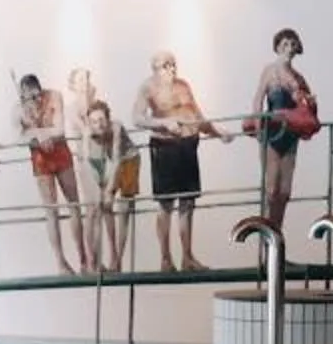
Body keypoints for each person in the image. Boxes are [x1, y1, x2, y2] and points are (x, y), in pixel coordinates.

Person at [133, 50, 226, 271]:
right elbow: (137, 117)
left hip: (188, 145)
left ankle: (187, 256)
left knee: (188, 202)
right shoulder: (148, 87)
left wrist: (218, 133)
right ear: (155, 68)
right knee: (166, 203)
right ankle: (165, 258)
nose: (171, 69)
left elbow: (198, 116)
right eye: (166, 65)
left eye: (173, 64)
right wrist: (163, 123)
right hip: (165, 147)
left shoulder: (183, 85)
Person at [242, 29, 318, 236]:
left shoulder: (299, 78)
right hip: (272, 133)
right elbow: (258, 98)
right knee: (271, 189)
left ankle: (276, 237)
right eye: (285, 44)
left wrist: (310, 101)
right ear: (278, 47)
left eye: (293, 45)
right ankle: (266, 245)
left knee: (284, 192)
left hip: (290, 134)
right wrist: (258, 127)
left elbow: (308, 107)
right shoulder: (270, 71)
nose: (289, 48)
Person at [15, 73, 87, 274]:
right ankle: (61, 263)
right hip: (40, 158)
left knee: (74, 203)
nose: (37, 100)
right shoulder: (18, 110)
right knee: (51, 210)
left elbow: (59, 128)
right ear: (23, 96)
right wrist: (37, 136)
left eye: (38, 95)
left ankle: (84, 259)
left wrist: (42, 134)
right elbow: (18, 138)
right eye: (31, 97)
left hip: (60, 151)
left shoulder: (54, 96)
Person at [78, 95, 130, 273]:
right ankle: (91, 260)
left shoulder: (115, 127)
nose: (98, 124)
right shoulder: (86, 133)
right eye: (94, 121)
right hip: (91, 162)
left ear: (107, 118)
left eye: (101, 120)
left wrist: (108, 190)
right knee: (92, 209)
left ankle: (114, 256)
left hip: (109, 160)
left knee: (108, 207)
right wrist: (94, 189)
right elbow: (84, 162)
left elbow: (116, 159)